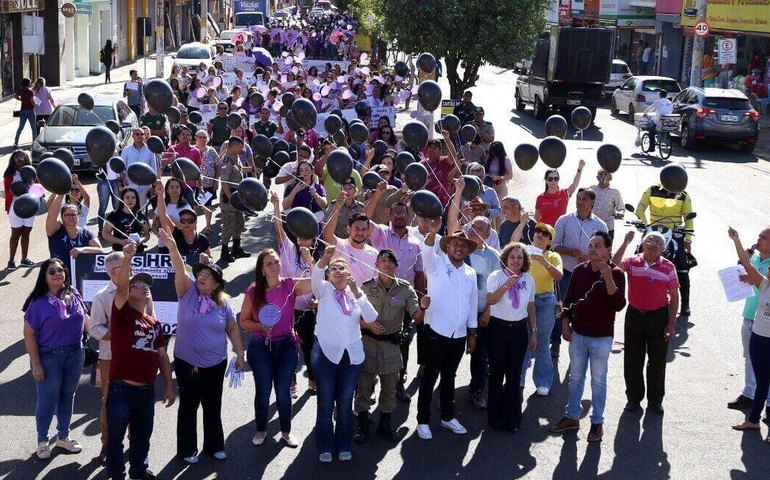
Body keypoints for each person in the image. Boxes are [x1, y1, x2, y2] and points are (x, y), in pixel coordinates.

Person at [159, 227, 243, 463]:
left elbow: (233, 329)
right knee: (188, 406)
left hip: (216, 362)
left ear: (216, 284)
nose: (202, 278)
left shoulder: (224, 303)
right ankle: (187, 450)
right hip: (188, 363)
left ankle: (214, 446)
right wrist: (173, 247)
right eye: (201, 274)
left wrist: (240, 353)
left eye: (208, 276)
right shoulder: (187, 292)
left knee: (212, 404)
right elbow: (178, 266)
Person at [549, 231, 626, 443]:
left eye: (597, 245)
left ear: (609, 250)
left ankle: (597, 423)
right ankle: (572, 416)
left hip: (601, 338)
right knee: (575, 379)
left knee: (598, 382)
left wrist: (608, 278)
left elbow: (619, 305)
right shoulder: (579, 271)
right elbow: (569, 298)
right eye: (590, 245)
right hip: (579, 336)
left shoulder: (617, 273)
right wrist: (565, 323)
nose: (592, 249)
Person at [106, 242, 175, 480]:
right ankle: (116, 475)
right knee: (115, 439)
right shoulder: (122, 313)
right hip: (121, 389)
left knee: (142, 437)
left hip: (146, 392)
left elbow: (162, 356)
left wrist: (168, 385)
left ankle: (138, 472)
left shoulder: (155, 324)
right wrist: (127, 259)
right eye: (139, 285)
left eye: (147, 285)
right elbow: (122, 288)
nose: (144, 288)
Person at [239, 247, 313, 448]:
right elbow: (243, 321)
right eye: (269, 263)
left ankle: (286, 432)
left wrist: (310, 259)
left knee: (283, 391)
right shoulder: (254, 291)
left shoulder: (290, 285)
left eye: (276, 262)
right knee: (263, 391)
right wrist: (260, 327)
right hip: (260, 347)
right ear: (262, 269)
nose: (274, 266)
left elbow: (317, 282)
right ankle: (261, 430)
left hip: (287, 346)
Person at [311, 245, 378, 462]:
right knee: (326, 400)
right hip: (326, 354)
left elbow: (370, 316)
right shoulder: (323, 290)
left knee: (345, 401)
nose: (338, 271)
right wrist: (325, 259)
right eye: (334, 269)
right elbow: (315, 277)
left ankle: (343, 443)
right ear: (329, 275)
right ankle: (324, 445)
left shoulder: (355, 295)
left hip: (352, 355)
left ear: (350, 275)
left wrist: (358, 293)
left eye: (342, 269)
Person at [355, 250, 428, 443]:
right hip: (368, 344)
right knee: (364, 387)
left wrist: (424, 307)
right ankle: (362, 424)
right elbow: (353, 317)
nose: (387, 265)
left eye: (391, 262)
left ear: (397, 266)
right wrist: (368, 325)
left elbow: (417, 318)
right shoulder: (365, 288)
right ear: (376, 264)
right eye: (383, 261)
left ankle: (385, 424)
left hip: (391, 346)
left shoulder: (405, 289)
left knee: (389, 389)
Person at [88, 251, 154, 464]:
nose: (132, 271)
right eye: (127, 267)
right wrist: (121, 337)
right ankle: (107, 445)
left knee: (139, 403)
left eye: (131, 267)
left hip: (140, 359)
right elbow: (95, 328)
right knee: (109, 402)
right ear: (113, 272)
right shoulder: (101, 296)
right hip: (110, 359)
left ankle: (136, 444)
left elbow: (152, 321)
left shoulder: (145, 293)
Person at [364, 186, 426, 401]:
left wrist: (418, 301)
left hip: (404, 300)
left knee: (402, 342)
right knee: (373, 339)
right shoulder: (380, 233)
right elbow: (364, 218)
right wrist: (377, 194)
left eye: (403, 213)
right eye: (395, 212)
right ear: (390, 216)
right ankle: (370, 385)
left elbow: (419, 274)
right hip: (377, 296)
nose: (399, 216)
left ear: (409, 216)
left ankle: (399, 383)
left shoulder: (416, 243)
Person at [416, 224, 478, 440]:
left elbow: (472, 304)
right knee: (429, 377)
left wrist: (472, 334)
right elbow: (426, 250)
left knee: (449, 377)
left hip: (459, 335)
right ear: (448, 246)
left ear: (467, 250)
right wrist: (432, 232)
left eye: (463, 245)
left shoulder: (470, 272)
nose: (459, 248)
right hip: (435, 331)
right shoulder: (436, 265)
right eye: (455, 244)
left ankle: (448, 417)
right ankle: (422, 421)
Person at [23, 259, 88, 459]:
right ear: (44, 276)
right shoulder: (38, 303)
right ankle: (43, 440)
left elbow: (86, 320)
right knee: (48, 399)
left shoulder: (74, 294)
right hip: (48, 357)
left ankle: (63, 437)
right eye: (51, 271)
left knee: (68, 396)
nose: (57, 274)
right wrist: (36, 364)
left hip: (75, 354)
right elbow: (28, 334)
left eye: (60, 270)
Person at [612, 230, 680, 414]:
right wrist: (625, 242)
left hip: (659, 317)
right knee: (633, 359)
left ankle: (655, 400)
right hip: (634, 314)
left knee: (657, 361)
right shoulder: (633, 261)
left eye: (658, 242)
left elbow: (674, 297)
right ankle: (633, 398)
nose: (653, 244)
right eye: (650, 240)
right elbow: (614, 265)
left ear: (663, 248)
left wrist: (671, 324)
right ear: (642, 244)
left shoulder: (668, 267)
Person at [448, 179, 499, 410]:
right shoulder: (458, 251)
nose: (475, 232)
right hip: (458, 313)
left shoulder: (495, 256)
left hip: (481, 315)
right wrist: (458, 193)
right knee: (452, 356)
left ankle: (477, 391)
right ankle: (445, 396)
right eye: (473, 228)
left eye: (481, 229)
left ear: (488, 234)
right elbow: (450, 224)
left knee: (480, 359)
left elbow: (497, 287)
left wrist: (489, 311)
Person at [270, 192, 319, 393]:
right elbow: (278, 228)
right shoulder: (288, 249)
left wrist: (311, 261)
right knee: (288, 348)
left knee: (309, 347)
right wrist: (276, 205)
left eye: (305, 238)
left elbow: (319, 281)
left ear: (313, 241)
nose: (301, 241)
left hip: (307, 310)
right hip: (286, 309)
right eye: (299, 236)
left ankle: (313, 380)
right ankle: (291, 382)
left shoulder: (316, 257)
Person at [485, 243, 536, 431]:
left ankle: (512, 418)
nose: (516, 260)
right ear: (505, 259)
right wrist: (507, 284)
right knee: (497, 375)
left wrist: (534, 332)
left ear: (524, 261)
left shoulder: (529, 280)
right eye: (512, 257)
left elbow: (531, 306)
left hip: (519, 331)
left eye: (519, 257)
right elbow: (490, 300)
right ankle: (495, 418)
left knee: (514, 376)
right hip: (498, 329)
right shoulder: (496, 277)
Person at [551, 189, 608, 357]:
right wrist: (570, 252)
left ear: (592, 203)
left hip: (588, 274)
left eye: (584, 199)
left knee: (582, 308)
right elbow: (554, 245)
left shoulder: (600, 225)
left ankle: (579, 344)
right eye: (578, 198)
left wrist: (590, 260)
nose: (580, 201)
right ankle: (555, 342)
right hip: (566, 272)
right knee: (560, 307)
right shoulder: (564, 220)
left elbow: (605, 252)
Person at [729, 227, 770, 441]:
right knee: (758, 372)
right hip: (756, 331)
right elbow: (746, 263)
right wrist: (736, 239)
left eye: (764, 237)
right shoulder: (763, 282)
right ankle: (752, 413)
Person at [636, 182, 693, 316]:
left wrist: (688, 239)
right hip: (652, 232)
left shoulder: (684, 195)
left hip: (674, 234)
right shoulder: (652, 189)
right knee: (637, 257)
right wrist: (644, 226)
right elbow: (640, 209)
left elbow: (689, 217)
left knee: (682, 266)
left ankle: (685, 304)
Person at [519, 223, 562, 396]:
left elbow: (558, 276)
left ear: (550, 240)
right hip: (524, 300)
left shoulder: (553, 255)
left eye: (545, 233)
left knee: (543, 343)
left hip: (545, 301)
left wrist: (544, 261)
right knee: (524, 341)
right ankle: (519, 379)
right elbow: (511, 243)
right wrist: (522, 222)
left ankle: (543, 382)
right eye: (537, 231)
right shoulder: (524, 250)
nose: (540, 234)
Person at [154, 182, 211, 257]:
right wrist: (160, 194)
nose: (186, 223)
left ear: (195, 222)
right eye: (183, 221)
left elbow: (210, 258)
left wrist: (207, 259)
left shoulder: (202, 239)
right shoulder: (176, 236)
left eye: (190, 221)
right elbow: (162, 214)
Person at [45, 194, 102, 269]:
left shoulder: (86, 233)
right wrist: (60, 194)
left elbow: (100, 250)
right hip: (59, 275)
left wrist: (82, 250)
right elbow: (51, 216)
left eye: (73, 214)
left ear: (78, 216)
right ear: (62, 217)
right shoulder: (55, 230)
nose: (70, 217)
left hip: (80, 275)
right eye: (67, 215)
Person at [219, 136, 250, 263]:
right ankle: (224, 251)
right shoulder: (226, 160)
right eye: (239, 146)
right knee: (228, 225)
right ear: (232, 146)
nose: (242, 149)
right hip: (229, 196)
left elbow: (240, 172)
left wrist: (253, 169)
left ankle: (236, 249)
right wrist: (231, 200)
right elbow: (224, 183)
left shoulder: (235, 158)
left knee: (239, 222)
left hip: (238, 196)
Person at [4, 149, 35, 270]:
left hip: (30, 206)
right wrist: (19, 189)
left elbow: (37, 187)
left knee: (26, 233)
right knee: (15, 234)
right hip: (15, 206)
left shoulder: (32, 172)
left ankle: (24, 259)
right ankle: (11, 261)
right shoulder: (9, 174)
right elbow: (7, 191)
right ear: (13, 159)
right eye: (16, 157)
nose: (19, 160)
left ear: (26, 158)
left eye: (21, 157)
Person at [534, 160, 585, 228]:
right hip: (545, 233)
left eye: (556, 178)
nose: (553, 181)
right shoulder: (540, 198)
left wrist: (580, 169)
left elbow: (574, 184)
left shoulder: (564, 193)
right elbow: (536, 219)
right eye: (550, 179)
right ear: (546, 180)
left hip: (561, 231)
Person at [121, 127, 158, 208]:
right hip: (130, 185)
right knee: (129, 210)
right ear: (133, 136)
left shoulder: (150, 150)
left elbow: (153, 168)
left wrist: (153, 185)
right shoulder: (126, 150)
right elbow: (121, 167)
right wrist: (123, 178)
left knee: (141, 209)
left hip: (144, 187)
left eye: (142, 134)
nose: (140, 136)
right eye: (137, 134)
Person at [422, 132, 460, 209]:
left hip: (443, 204)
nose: (431, 149)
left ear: (440, 151)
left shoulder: (444, 161)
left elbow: (453, 155)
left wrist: (447, 139)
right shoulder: (422, 164)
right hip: (425, 203)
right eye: (430, 147)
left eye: (435, 148)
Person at [195, 130, 221, 234]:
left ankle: (208, 225)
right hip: (195, 184)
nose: (202, 139)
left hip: (208, 184)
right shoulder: (193, 149)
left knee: (207, 204)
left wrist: (216, 181)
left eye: (204, 137)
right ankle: (193, 227)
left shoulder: (211, 151)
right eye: (200, 137)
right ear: (196, 138)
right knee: (195, 205)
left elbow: (218, 166)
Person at [590, 169, 624, 241]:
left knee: (606, 251)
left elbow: (621, 208)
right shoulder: (591, 189)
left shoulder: (615, 192)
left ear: (610, 177)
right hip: (591, 227)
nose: (603, 176)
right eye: (601, 174)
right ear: (597, 177)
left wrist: (620, 213)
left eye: (605, 174)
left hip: (608, 228)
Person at [14, 78, 36, 148]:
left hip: (23, 110)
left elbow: (15, 96)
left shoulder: (21, 90)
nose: (31, 83)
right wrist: (35, 104)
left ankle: (16, 142)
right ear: (28, 83)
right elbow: (32, 101)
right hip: (30, 110)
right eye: (30, 82)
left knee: (20, 127)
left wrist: (21, 99)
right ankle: (34, 143)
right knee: (33, 128)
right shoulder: (31, 91)